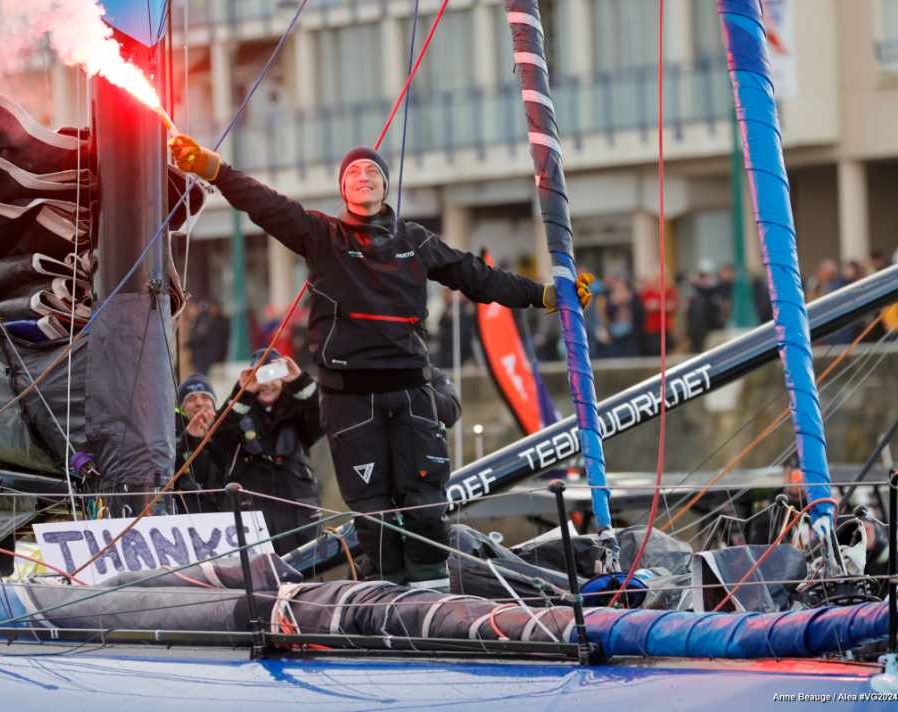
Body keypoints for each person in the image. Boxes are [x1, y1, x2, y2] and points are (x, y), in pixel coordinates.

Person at [170, 134, 593, 585]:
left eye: (372, 171)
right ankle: (389, 596)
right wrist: (216, 170)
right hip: (350, 394)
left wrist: (544, 295)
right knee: (374, 515)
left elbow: (477, 277)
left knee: (425, 504)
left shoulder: (415, 241)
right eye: (354, 173)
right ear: (343, 190)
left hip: (409, 386)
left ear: (385, 186)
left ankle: (432, 593)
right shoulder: (321, 235)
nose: (364, 177)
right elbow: (266, 205)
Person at [215, 349, 323, 555]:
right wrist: (243, 392)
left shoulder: (300, 411)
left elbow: (323, 418)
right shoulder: (239, 411)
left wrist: (300, 380)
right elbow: (217, 437)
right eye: (260, 375)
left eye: (272, 375)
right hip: (252, 521)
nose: (266, 383)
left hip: (297, 517)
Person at [174, 374, 226, 514]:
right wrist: (189, 438)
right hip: (186, 514)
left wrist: (212, 438)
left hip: (223, 512)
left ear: (214, 404)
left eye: (205, 397)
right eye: (190, 399)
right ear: (181, 408)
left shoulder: (227, 430)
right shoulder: (171, 433)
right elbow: (170, 471)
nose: (199, 403)